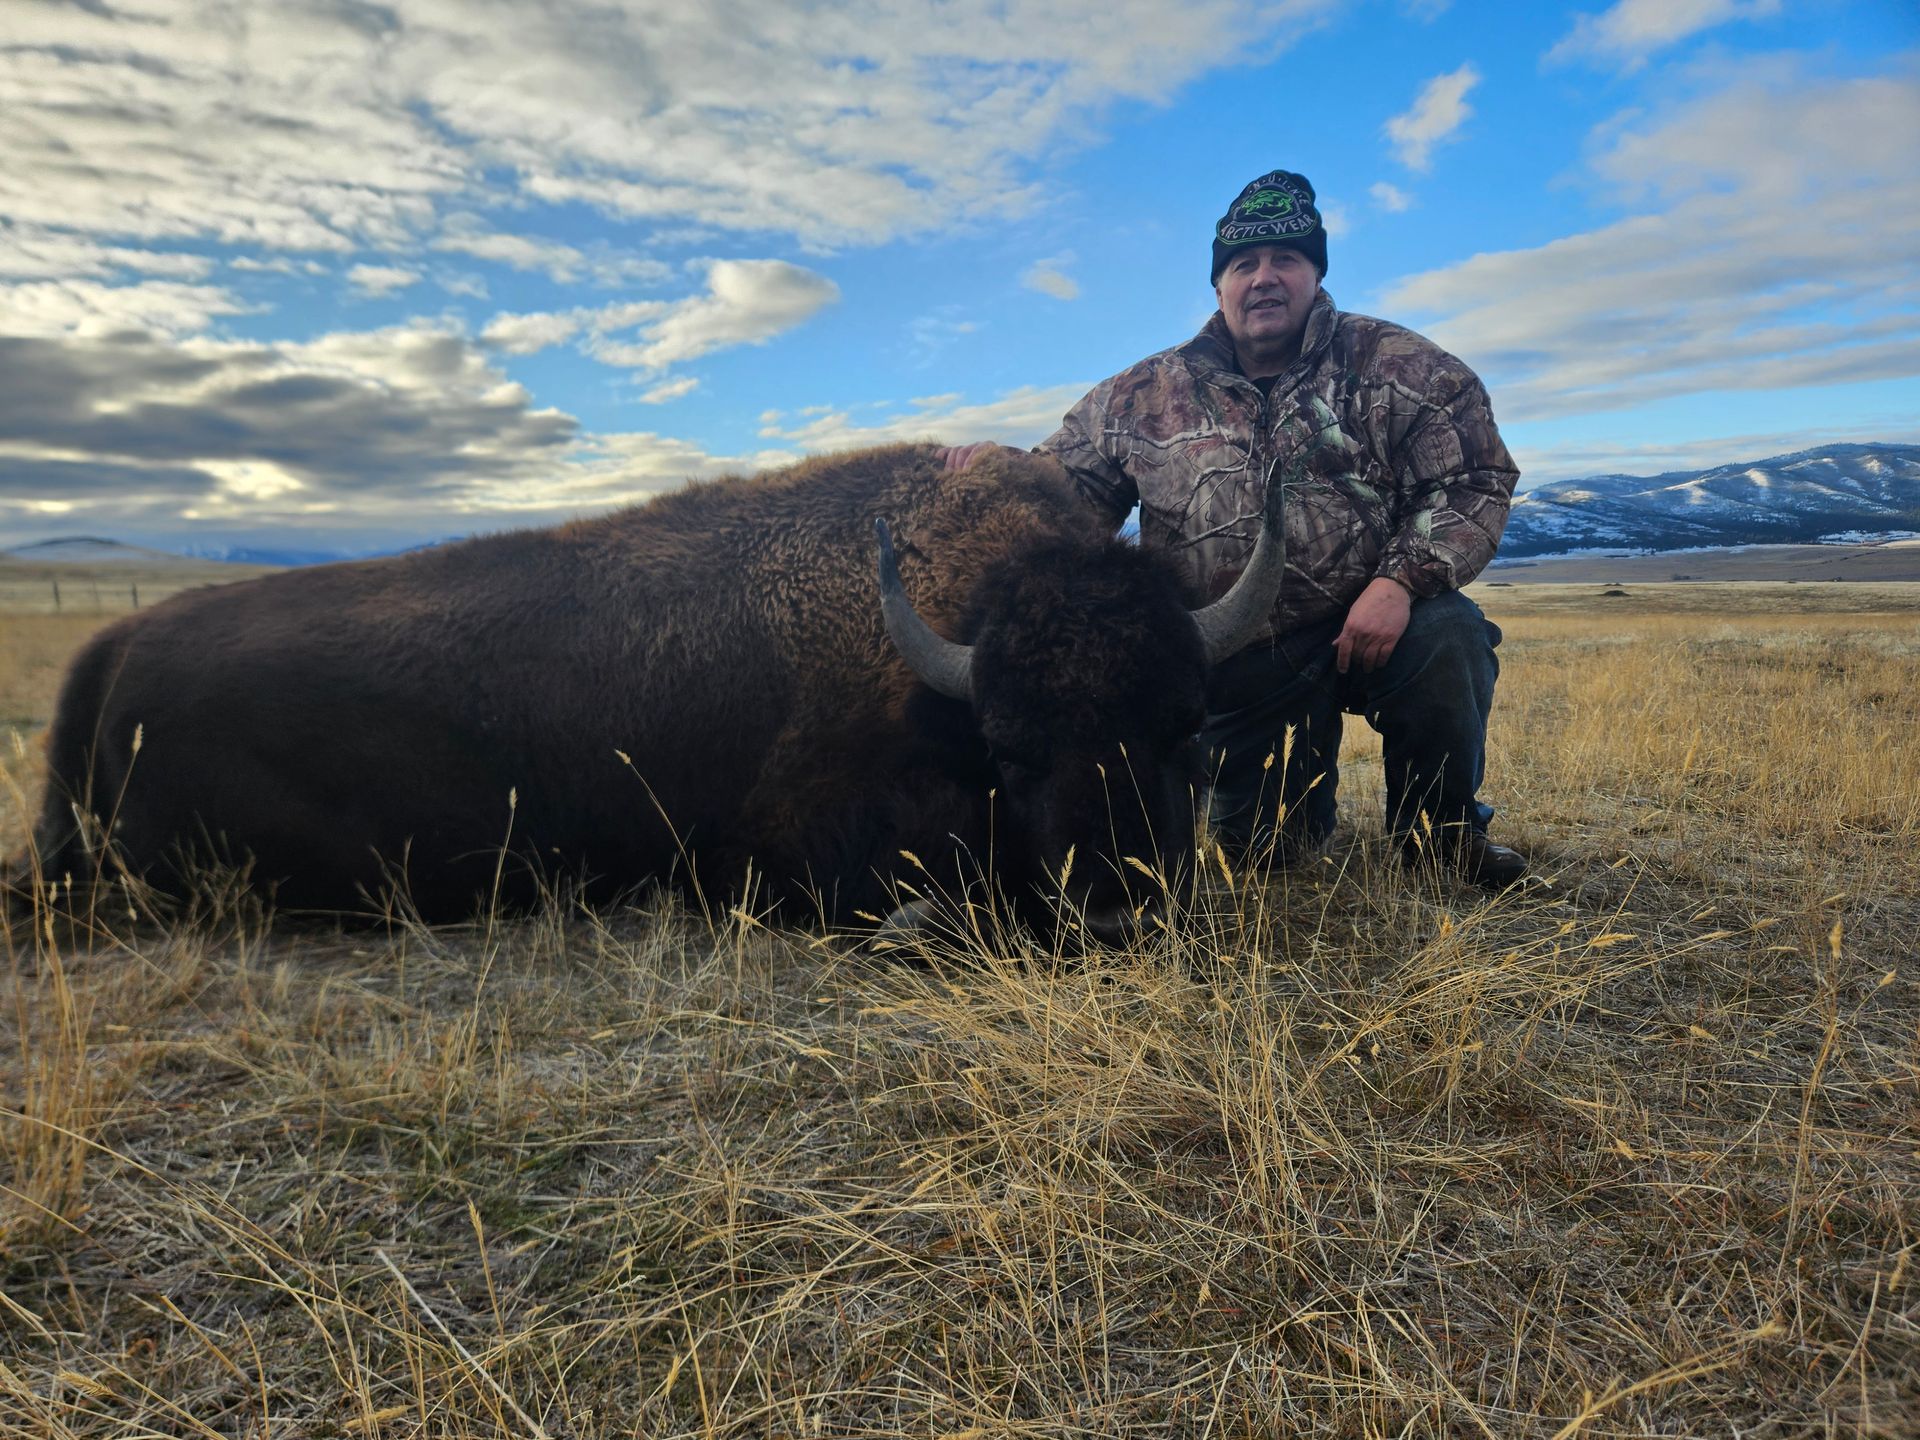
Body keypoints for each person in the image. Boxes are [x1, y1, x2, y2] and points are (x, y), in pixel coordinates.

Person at [943, 168, 1527, 887]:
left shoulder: (1406, 368)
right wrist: (1005, 470)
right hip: (1229, 656)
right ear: (1219, 286)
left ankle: (1442, 839)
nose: (1265, 278)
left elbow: (1474, 480)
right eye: (1244, 264)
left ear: (1316, 273)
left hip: (1375, 626)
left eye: (1286, 259)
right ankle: (1278, 808)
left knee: (1450, 637)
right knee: (1258, 857)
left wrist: (1400, 582)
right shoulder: (1139, 393)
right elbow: (1065, 498)